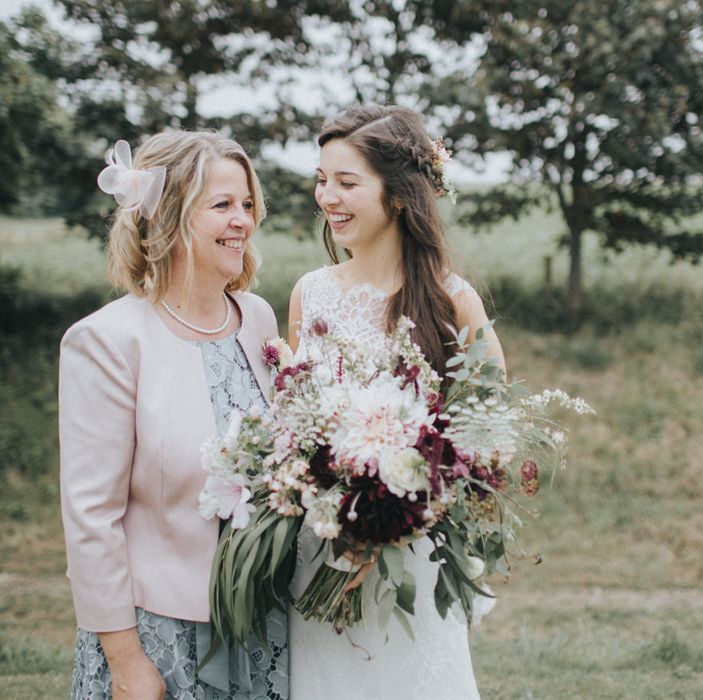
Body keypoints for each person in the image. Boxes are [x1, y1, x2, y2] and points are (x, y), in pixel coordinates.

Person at [59, 131, 288, 699]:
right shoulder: (106, 342)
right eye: (221, 206)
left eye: (247, 204)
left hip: (265, 626)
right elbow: (92, 518)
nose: (243, 220)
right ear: (166, 217)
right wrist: (127, 661)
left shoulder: (257, 319)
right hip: (161, 638)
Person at [287, 105, 506, 699]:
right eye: (322, 179)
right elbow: (293, 421)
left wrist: (401, 518)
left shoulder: (451, 302)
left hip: (410, 553)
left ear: (400, 195)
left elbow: (490, 435)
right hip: (320, 550)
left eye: (347, 182)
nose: (326, 196)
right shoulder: (309, 295)